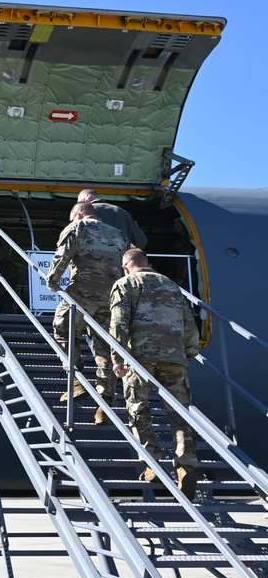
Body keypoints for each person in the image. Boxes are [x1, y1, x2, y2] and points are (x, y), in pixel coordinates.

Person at [110, 248, 200, 499]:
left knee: (138, 406)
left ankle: (153, 463)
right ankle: (185, 466)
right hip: (174, 357)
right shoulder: (171, 285)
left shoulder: (125, 283)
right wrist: (188, 353)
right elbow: (189, 324)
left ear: (126, 266)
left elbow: (118, 323)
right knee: (180, 413)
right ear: (148, 263)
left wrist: (117, 359)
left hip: (140, 358)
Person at [46, 203, 128, 419]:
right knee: (104, 348)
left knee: (63, 329)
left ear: (79, 215)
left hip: (82, 293)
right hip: (111, 298)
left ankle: (76, 380)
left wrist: (52, 281)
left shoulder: (77, 227)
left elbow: (63, 255)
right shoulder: (119, 234)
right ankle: (105, 402)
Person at [78, 189, 148, 249]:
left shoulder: (83, 212)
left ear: (84, 200)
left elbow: (75, 238)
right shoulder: (124, 213)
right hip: (119, 262)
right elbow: (141, 242)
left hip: (91, 262)